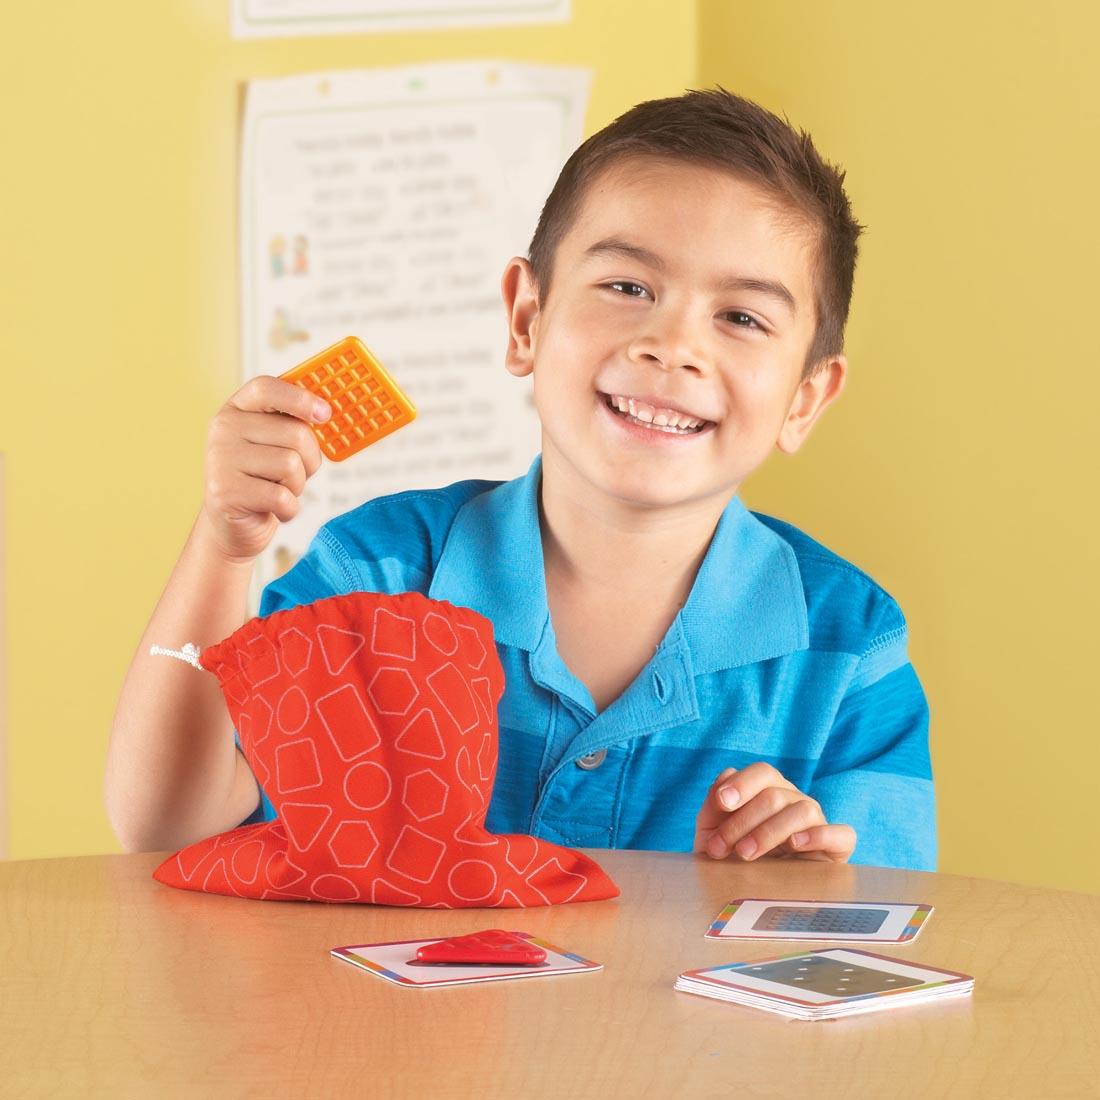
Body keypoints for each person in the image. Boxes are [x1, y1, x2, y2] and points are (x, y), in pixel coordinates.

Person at [105, 88, 935, 871]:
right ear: (526, 321)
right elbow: (165, 825)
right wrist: (227, 542)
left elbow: (871, 931)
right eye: (627, 287)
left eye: (742, 318)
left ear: (806, 398)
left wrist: (799, 881)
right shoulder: (376, 575)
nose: (672, 345)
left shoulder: (850, 647)